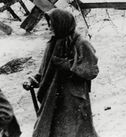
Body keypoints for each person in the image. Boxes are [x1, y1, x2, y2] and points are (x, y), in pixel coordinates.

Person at [23, 8, 99, 137]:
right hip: (52, 98)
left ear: (62, 23)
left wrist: (67, 65)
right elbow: (44, 71)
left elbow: (91, 70)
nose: (50, 27)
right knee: (49, 130)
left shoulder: (81, 43)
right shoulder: (52, 43)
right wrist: (33, 80)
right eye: (49, 24)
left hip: (72, 99)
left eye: (53, 24)